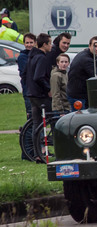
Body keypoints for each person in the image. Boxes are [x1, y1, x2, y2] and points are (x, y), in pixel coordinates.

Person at [25, 33, 53, 161]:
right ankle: (57, 148)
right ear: (45, 44)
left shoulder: (32, 56)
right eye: (50, 43)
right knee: (54, 120)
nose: (51, 46)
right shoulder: (41, 58)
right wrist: (48, 89)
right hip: (41, 95)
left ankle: (37, 154)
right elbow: (38, 76)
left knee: (37, 125)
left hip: (32, 94)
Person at [67, 36, 97, 111]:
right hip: (78, 95)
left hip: (79, 93)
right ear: (89, 46)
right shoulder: (87, 59)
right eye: (95, 46)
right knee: (79, 120)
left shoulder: (88, 55)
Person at [18, 33, 36, 118]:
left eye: (31, 42)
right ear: (24, 44)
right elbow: (26, 73)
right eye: (27, 43)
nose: (29, 45)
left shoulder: (36, 55)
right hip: (28, 90)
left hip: (36, 91)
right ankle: (28, 131)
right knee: (31, 115)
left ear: (35, 43)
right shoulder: (22, 57)